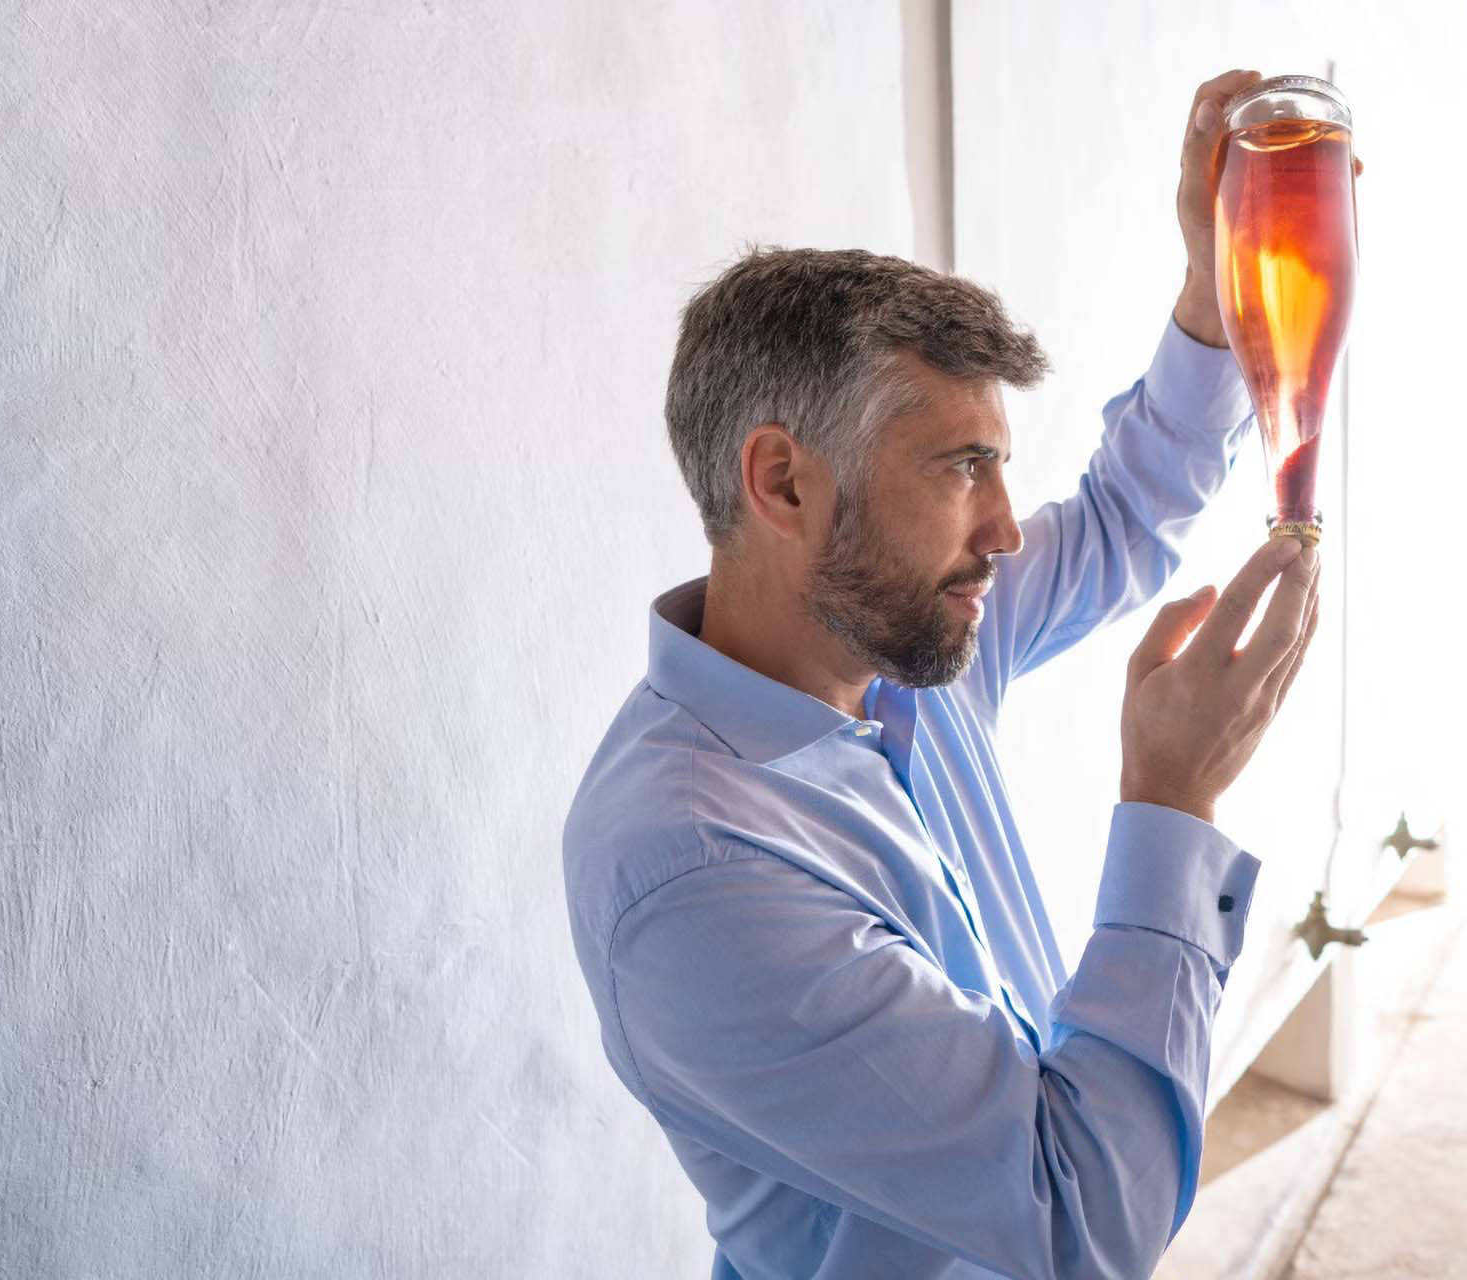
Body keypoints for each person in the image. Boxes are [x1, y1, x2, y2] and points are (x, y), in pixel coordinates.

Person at [564, 68, 1321, 1280]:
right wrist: (1172, 802)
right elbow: (1076, 1214)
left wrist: (1213, 293)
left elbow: (1128, 515)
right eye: (964, 465)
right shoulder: (689, 865)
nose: (1008, 529)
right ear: (784, 482)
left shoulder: (908, 653)